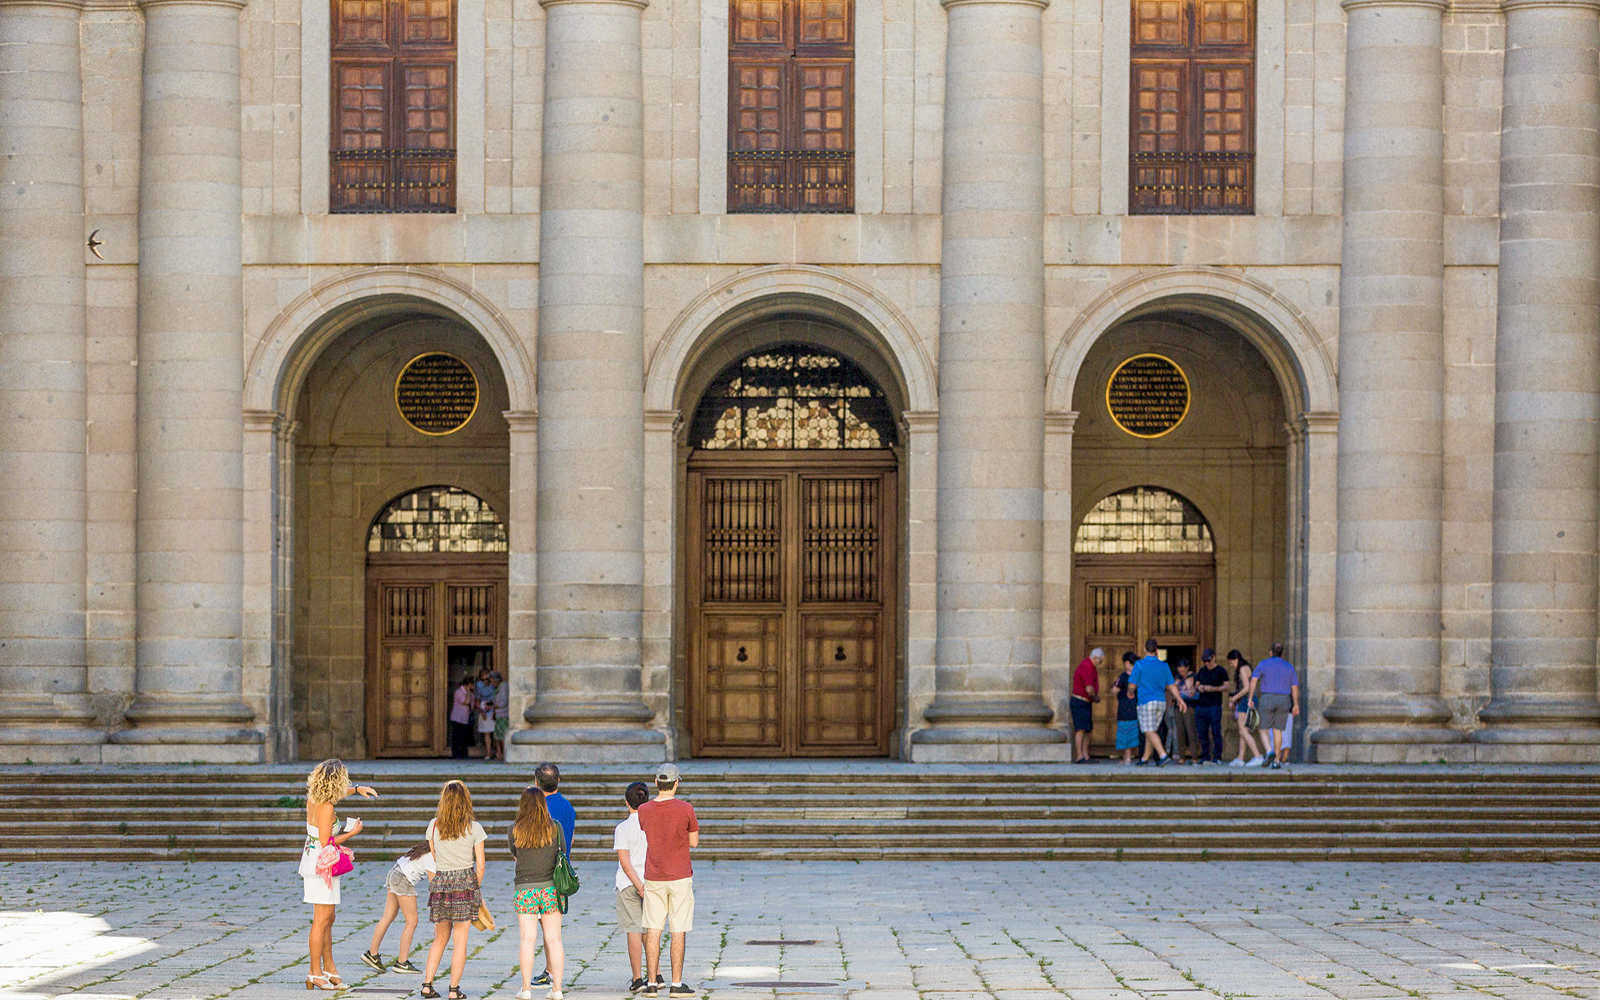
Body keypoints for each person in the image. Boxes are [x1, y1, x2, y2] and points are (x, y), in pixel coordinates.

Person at [301, 759, 378, 991]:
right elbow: (328, 843)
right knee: (321, 920)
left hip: (317, 861)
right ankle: (315, 972)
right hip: (321, 865)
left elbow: (335, 796)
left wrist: (356, 789)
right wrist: (352, 832)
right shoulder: (326, 808)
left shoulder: (315, 799)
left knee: (329, 919)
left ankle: (329, 968)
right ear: (335, 781)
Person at [421, 780, 487, 1000]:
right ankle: (453, 989)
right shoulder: (474, 828)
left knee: (440, 937)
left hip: (441, 883)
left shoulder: (434, 825)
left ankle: (427, 985)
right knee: (461, 940)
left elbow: (434, 855)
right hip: (465, 881)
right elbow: (481, 864)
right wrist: (473, 886)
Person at [637, 763, 699, 998]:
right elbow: (693, 842)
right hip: (680, 875)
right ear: (676, 783)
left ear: (656, 783)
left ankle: (652, 983)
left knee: (653, 928)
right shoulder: (686, 809)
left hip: (653, 875)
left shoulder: (644, 810)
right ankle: (676, 983)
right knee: (678, 930)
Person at [508, 788, 566, 1000]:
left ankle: (526, 989)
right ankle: (557, 988)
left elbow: (516, 854)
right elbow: (563, 850)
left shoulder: (514, 829)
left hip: (525, 888)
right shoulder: (555, 828)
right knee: (554, 939)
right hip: (551, 887)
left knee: (527, 940)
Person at [528, 762, 575, 989]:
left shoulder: (535, 808)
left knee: (542, 930)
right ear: (559, 781)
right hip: (559, 871)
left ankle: (549, 971)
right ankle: (550, 970)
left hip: (538, 872)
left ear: (536, 783)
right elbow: (570, 840)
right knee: (553, 928)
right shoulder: (568, 807)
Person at [363, 842, 436, 974]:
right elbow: (434, 886)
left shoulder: (425, 849)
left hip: (395, 872)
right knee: (412, 921)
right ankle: (402, 962)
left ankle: (372, 954)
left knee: (388, 916)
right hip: (403, 879)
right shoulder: (432, 857)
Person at [614, 781, 653, 993]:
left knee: (634, 930)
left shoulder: (623, 828)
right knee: (649, 930)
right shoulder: (653, 824)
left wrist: (638, 885)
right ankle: (655, 973)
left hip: (629, 883)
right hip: (651, 881)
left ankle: (638, 978)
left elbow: (625, 863)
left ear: (626, 802)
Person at [1128, 639, 1184, 766]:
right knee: (1151, 729)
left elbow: (1132, 685)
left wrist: (1130, 691)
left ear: (1144, 649)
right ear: (1156, 650)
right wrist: (1180, 700)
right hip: (1161, 702)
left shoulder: (1139, 665)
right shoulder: (1164, 666)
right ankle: (1145, 758)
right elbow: (1171, 685)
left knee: (1148, 730)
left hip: (1146, 702)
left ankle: (1163, 755)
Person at [1251, 641, 1300, 768]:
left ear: (1271, 652)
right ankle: (1277, 760)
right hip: (1284, 699)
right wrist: (1296, 704)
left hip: (1267, 697)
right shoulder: (1289, 667)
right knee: (1278, 730)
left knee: (1263, 729)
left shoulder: (1263, 663)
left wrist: (1251, 697)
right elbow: (1294, 686)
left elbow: (1254, 680)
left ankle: (1269, 751)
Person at [1226, 651, 1266, 767]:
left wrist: (1234, 698)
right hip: (1249, 699)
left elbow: (1247, 688)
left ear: (1235, 659)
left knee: (1243, 730)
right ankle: (1240, 758)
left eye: (1231, 662)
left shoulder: (1243, 669)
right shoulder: (1247, 667)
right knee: (1243, 730)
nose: (1232, 665)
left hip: (1246, 700)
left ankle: (1258, 756)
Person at [1193, 649, 1229, 764]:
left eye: (1208, 660)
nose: (1206, 663)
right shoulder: (1202, 671)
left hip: (1214, 706)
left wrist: (1212, 688)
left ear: (1213, 658)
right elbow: (1196, 685)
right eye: (1204, 661)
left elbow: (1226, 686)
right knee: (1202, 733)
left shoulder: (1221, 671)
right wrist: (1200, 688)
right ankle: (1205, 756)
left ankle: (1217, 756)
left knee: (1215, 731)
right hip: (1201, 706)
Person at [1070, 648, 1103, 763]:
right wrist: (1096, 698)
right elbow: (1089, 689)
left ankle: (1086, 755)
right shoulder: (1087, 666)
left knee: (1087, 729)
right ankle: (1079, 756)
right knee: (1081, 729)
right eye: (1100, 661)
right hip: (1080, 701)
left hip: (1085, 702)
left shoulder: (1090, 667)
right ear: (1095, 657)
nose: (1100, 663)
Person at [1167, 659, 1200, 763]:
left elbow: (1190, 689)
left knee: (1191, 731)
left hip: (1189, 706)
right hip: (1177, 707)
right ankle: (1181, 756)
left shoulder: (1193, 676)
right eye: (1179, 669)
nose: (1181, 671)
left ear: (1187, 667)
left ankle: (1194, 756)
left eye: (1183, 669)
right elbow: (1173, 690)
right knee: (1179, 731)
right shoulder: (1176, 678)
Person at [1111, 652, 1140, 764]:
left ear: (1127, 663)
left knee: (1126, 733)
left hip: (1125, 709)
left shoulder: (1123, 677)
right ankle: (1135, 755)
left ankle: (1127, 757)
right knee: (1135, 733)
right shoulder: (1139, 676)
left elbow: (1115, 690)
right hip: (1137, 708)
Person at [450, 677, 475, 760]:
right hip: (458, 718)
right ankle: (456, 754)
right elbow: (466, 702)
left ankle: (464, 754)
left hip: (465, 718)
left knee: (465, 737)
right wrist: (468, 693)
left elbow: (472, 704)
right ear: (466, 685)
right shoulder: (458, 692)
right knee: (457, 737)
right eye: (471, 685)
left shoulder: (471, 693)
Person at [477, 674, 498, 759]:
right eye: (483, 680)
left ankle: (498, 752)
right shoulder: (479, 688)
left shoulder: (494, 688)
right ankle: (489, 753)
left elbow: (497, 701)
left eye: (487, 679)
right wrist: (482, 712)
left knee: (496, 733)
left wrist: (494, 713)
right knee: (487, 733)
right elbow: (477, 701)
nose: (485, 681)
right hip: (484, 712)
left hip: (493, 711)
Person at [492, 672, 510, 761]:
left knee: (502, 736)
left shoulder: (504, 687)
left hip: (503, 714)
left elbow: (503, 702)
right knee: (497, 736)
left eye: (492, 681)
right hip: (498, 714)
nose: (491, 684)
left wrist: (492, 706)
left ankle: (504, 754)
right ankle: (499, 754)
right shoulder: (498, 687)